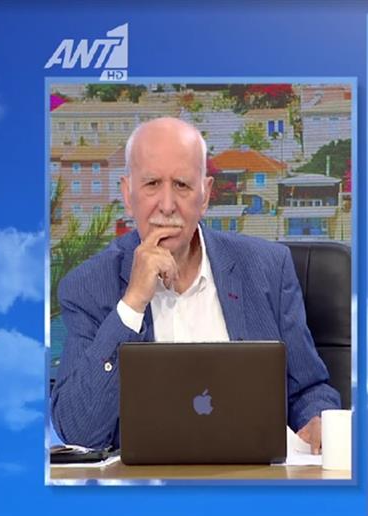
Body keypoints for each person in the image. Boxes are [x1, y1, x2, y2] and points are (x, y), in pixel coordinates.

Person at [51, 117, 341, 452]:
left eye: (182, 185)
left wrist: (318, 419)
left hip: (251, 479)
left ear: (205, 195)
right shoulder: (88, 287)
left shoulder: (267, 269)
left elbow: (308, 390)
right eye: (151, 184)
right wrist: (132, 305)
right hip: (146, 485)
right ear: (128, 195)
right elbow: (78, 431)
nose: (167, 205)